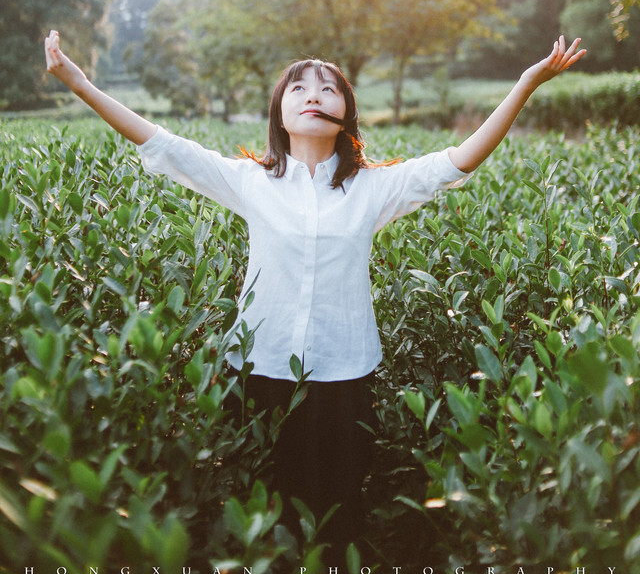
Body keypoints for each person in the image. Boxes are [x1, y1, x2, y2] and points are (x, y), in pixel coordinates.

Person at [43, 29, 586, 559]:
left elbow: (461, 159)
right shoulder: (249, 181)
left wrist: (525, 83)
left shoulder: (373, 188)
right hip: (258, 370)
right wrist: (80, 83)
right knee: (262, 523)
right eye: (298, 87)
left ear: (344, 114)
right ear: (281, 113)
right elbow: (160, 141)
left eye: (328, 88)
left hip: (343, 375)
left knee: (336, 521)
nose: (312, 94)